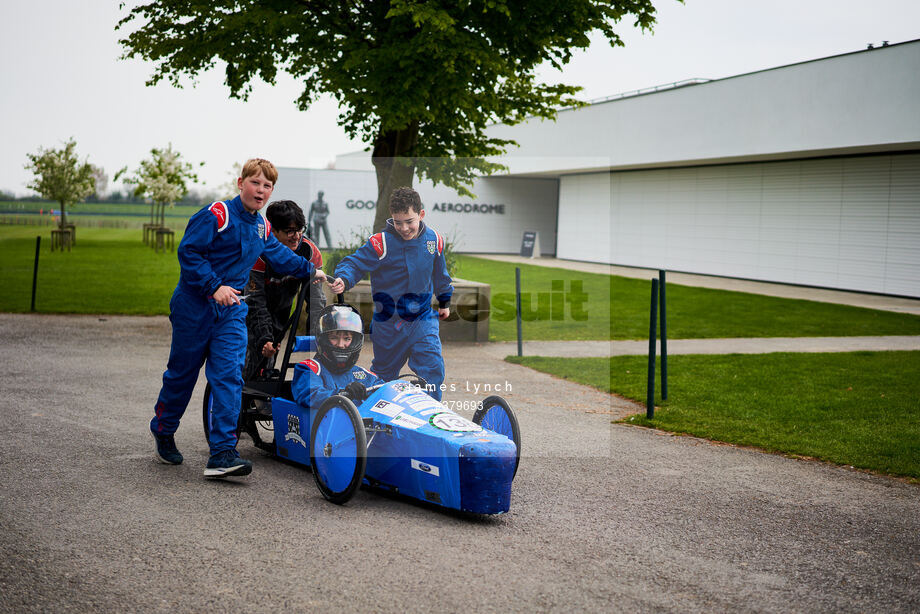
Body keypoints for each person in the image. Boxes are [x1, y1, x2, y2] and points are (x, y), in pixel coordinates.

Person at [150, 158, 326, 478]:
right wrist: (213, 286)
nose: (260, 190)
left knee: (229, 377)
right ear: (240, 182)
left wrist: (312, 271)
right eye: (255, 183)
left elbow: (280, 256)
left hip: (231, 311)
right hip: (195, 307)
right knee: (182, 375)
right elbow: (189, 253)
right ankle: (163, 430)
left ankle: (221, 453)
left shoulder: (261, 226)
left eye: (267, 186)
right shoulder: (217, 214)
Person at [329, 187, 453, 401]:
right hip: (389, 322)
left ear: (421, 215)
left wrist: (444, 301)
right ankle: (379, 419)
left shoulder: (434, 241)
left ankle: (430, 417)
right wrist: (344, 278)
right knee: (383, 376)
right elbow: (354, 263)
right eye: (398, 222)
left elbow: (441, 275)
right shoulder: (381, 243)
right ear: (391, 218)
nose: (404, 228)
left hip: (421, 317)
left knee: (432, 367)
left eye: (409, 221)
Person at [243, 200, 326, 381]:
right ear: (273, 231)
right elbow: (254, 300)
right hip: (249, 308)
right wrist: (264, 337)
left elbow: (316, 300)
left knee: (269, 360)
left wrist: (318, 337)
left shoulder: (310, 252)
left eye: (299, 230)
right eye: (289, 231)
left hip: (281, 311)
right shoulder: (257, 252)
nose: (296, 236)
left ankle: (262, 394)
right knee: (252, 358)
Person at [291, 304, 384, 410]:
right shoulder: (310, 368)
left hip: (358, 424)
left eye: (347, 339)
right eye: (334, 338)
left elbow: (384, 391)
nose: (340, 344)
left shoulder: (361, 373)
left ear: (355, 341)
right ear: (324, 339)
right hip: (323, 424)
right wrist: (344, 394)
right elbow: (310, 395)